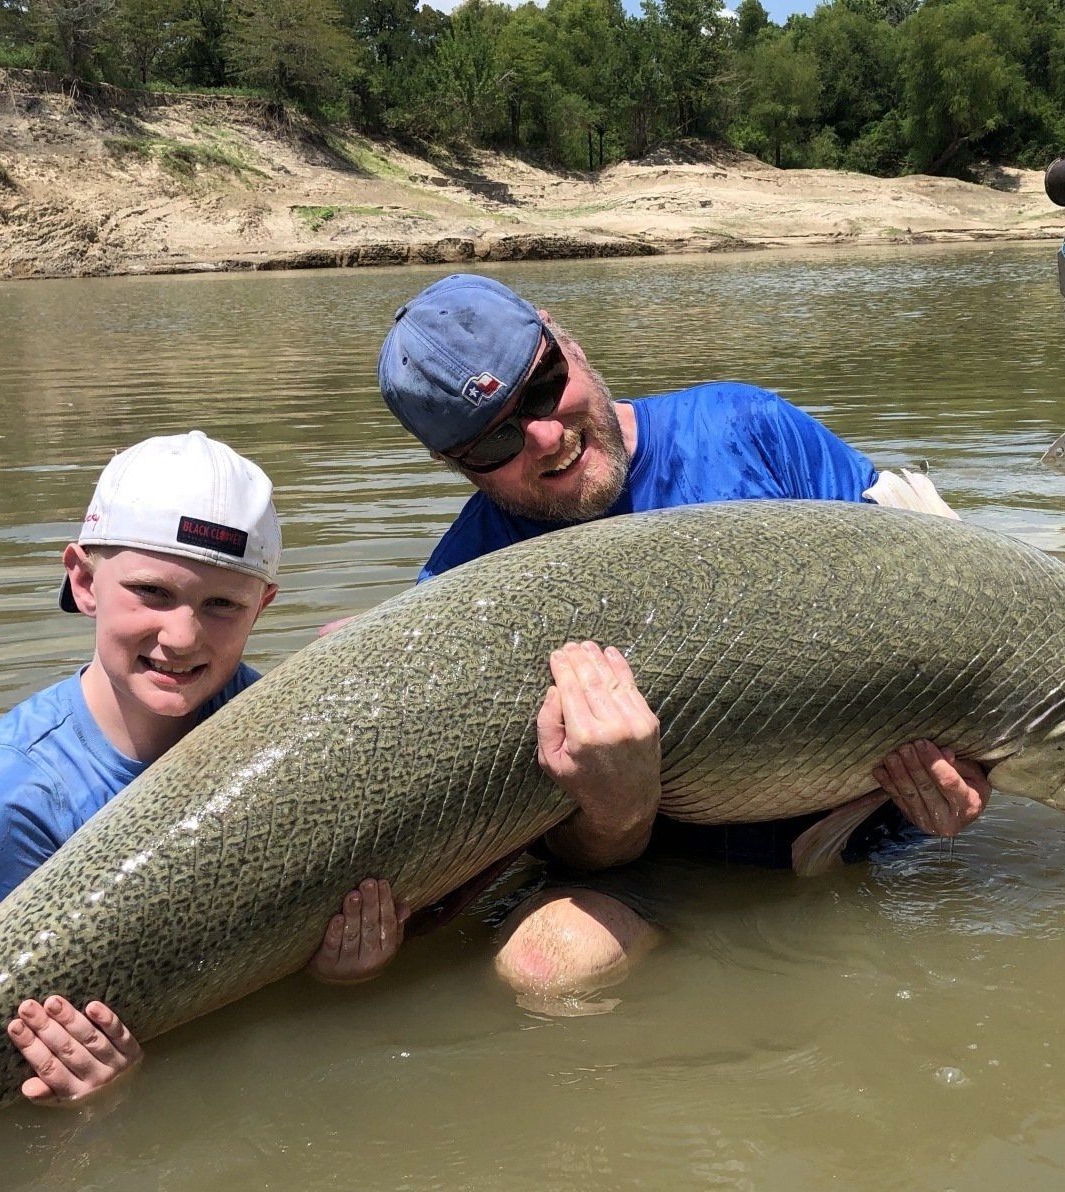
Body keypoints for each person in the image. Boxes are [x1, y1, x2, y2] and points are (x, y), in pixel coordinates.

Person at [371, 273, 991, 1003]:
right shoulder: (460, 590)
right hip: (654, 872)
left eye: (543, 387)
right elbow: (529, 851)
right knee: (544, 971)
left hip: (868, 836)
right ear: (452, 466)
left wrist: (969, 770)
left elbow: (959, 611)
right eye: (495, 439)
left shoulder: (751, 428)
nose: (545, 436)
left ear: (562, 337)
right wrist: (617, 813)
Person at [0, 432, 408, 1104]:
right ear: (83, 580)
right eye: (152, 592)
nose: (181, 637)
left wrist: (344, 970)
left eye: (221, 605)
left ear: (262, 606)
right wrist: (98, 1085)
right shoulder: (9, 802)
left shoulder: (265, 726)